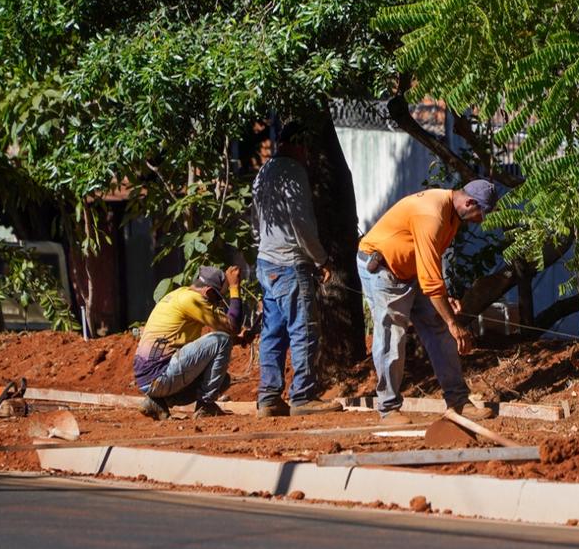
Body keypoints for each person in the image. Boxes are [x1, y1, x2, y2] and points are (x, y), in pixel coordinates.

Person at [357, 179, 500, 425]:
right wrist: (454, 323)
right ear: (469, 202)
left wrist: (446, 303)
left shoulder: (452, 212)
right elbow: (431, 282)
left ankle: (458, 401)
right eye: (481, 212)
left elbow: (431, 264)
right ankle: (388, 409)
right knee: (393, 333)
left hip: (411, 270)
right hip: (383, 269)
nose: (481, 220)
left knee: (439, 328)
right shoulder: (432, 215)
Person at [252, 122, 342, 417]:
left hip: (266, 262)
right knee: (304, 330)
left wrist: (263, 245)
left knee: (273, 332)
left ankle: (268, 398)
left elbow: (256, 217)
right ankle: (303, 395)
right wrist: (321, 259)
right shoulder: (293, 172)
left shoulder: (264, 171)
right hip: (290, 263)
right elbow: (300, 222)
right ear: (299, 146)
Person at [134, 265, 243, 420]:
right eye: (218, 299)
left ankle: (157, 401)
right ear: (209, 292)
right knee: (222, 340)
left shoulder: (179, 294)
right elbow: (233, 326)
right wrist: (234, 287)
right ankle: (206, 405)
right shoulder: (194, 300)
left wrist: (236, 339)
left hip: (149, 378)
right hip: (160, 375)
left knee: (222, 380)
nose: (217, 305)